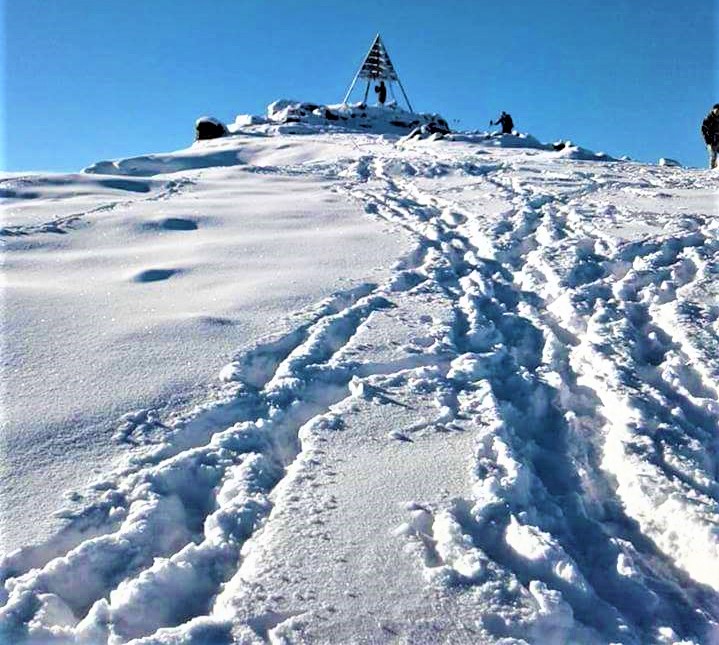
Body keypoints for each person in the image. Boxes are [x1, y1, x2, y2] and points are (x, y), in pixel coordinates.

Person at [702, 103, 719, 169]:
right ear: (713, 110)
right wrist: (707, 140)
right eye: (716, 111)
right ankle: (712, 169)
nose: (717, 112)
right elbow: (704, 129)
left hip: (718, 139)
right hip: (711, 140)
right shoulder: (709, 118)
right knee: (713, 155)